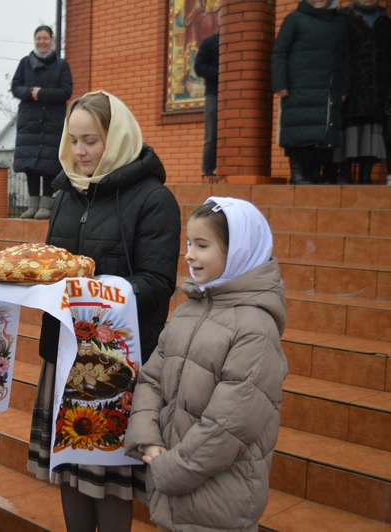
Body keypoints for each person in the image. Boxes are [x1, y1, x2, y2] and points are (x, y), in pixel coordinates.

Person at [27, 91, 181, 532]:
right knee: (71, 472)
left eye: (91, 141)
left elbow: (157, 283)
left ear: (115, 139)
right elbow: (55, 266)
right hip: (64, 352)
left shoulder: (154, 199)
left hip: (117, 363)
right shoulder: (64, 194)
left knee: (110, 480)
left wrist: (94, 294)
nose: (79, 152)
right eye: (73, 141)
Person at [124, 197, 288, 532]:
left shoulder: (255, 328)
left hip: (220, 500)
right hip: (172, 484)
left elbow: (229, 425)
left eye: (202, 245)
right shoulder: (189, 309)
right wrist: (150, 440)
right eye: (188, 243)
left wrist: (171, 468)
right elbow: (152, 380)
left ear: (238, 252)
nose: (189, 254)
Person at [272, 0, 350, 184]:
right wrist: (280, 83)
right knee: (299, 127)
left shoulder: (339, 22)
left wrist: (344, 87)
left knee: (322, 129)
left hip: (328, 87)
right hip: (298, 86)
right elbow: (279, 53)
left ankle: (314, 174)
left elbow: (345, 57)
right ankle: (298, 174)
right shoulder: (294, 19)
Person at [11, 25, 73, 219]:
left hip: (52, 122)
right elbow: (15, 87)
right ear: (34, 40)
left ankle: (46, 205)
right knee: (31, 165)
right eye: (38, 38)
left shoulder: (61, 65)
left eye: (45, 38)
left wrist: (42, 94)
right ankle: (32, 205)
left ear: (52, 40)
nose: (42, 42)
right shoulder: (24, 63)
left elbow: (66, 91)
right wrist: (30, 93)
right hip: (30, 122)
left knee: (48, 164)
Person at [337, 0, 391, 184]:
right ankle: (344, 174)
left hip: (378, 86)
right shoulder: (343, 17)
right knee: (349, 130)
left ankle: (365, 175)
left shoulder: (386, 21)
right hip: (351, 85)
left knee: (371, 130)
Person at [194, 20, 220, 181]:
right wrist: (222, 73)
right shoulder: (211, 43)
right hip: (214, 95)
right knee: (211, 135)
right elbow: (199, 67)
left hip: (234, 97)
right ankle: (208, 173)